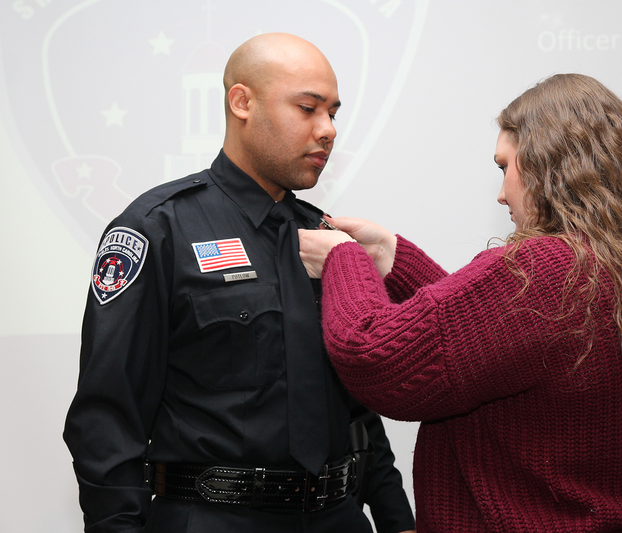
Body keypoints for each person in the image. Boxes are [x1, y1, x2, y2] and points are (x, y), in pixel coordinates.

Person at [298, 73, 622, 532]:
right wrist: (391, 258)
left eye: (505, 168)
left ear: (549, 166)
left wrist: (342, 259)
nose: (501, 194)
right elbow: (500, 349)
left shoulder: (545, 270)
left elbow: (377, 357)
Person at [63, 33, 416, 533]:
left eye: (333, 113)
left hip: (339, 517)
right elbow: (107, 417)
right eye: (308, 108)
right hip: (214, 518)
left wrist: (396, 518)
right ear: (242, 102)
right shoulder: (157, 229)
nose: (328, 129)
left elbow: (355, 407)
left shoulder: (325, 235)